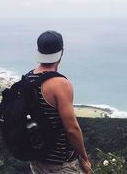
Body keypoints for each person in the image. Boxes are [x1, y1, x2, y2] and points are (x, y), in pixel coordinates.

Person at [28, 30, 92, 174]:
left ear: (38, 51)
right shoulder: (60, 84)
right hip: (62, 165)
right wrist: (84, 159)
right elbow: (72, 129)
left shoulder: (28, 79)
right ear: (61, 52)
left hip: (37, 159)